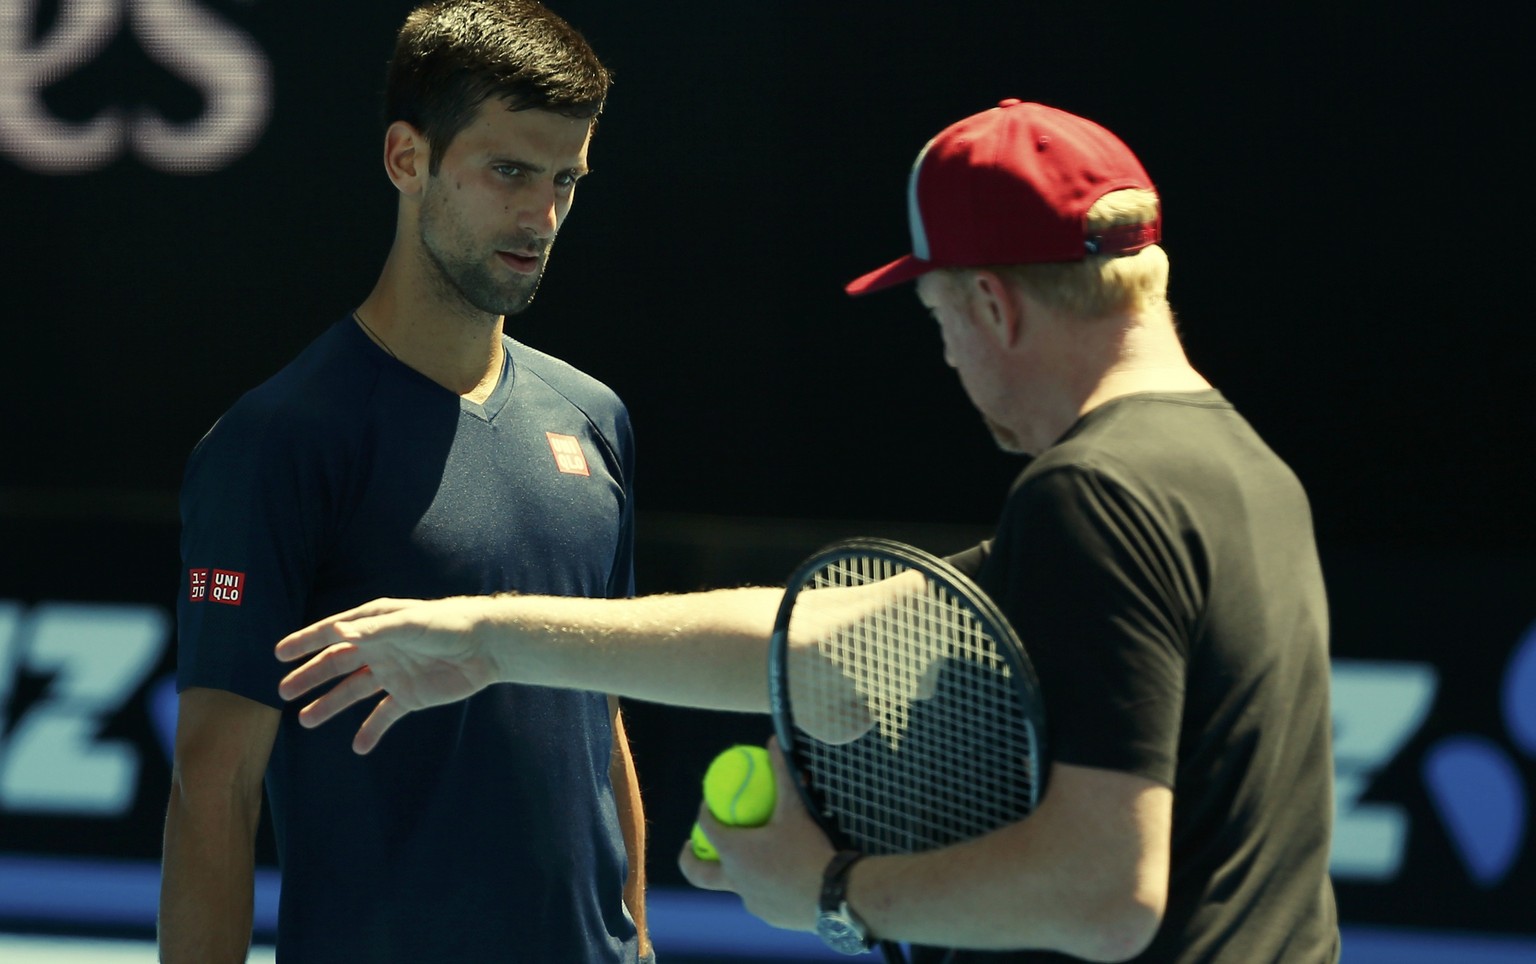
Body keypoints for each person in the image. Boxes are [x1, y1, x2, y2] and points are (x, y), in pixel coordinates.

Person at [274, 100, 1339, 962]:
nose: (952, 363)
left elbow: (1108, 894)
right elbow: (823, 641)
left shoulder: (1091, 496)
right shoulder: (1243, 470)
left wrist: (828, 891)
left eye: (941, 325)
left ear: (993, 307)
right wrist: (486, 637)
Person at [157, 2, 653, 962]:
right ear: (406, 159)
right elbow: (214, 788)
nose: (541, 216)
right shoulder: (276, 444)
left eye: (565, 180)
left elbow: (603, 713)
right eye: (508, 171)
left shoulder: (596, 418)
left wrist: (633, 942)